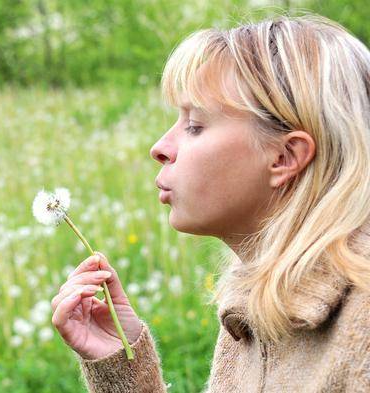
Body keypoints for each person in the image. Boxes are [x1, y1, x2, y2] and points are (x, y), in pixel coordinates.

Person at [51, 13, 370, 392]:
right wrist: (125, 373)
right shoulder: (256, 303)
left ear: (284, 158)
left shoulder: (360, 322)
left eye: (195, 126)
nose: (160, 148)